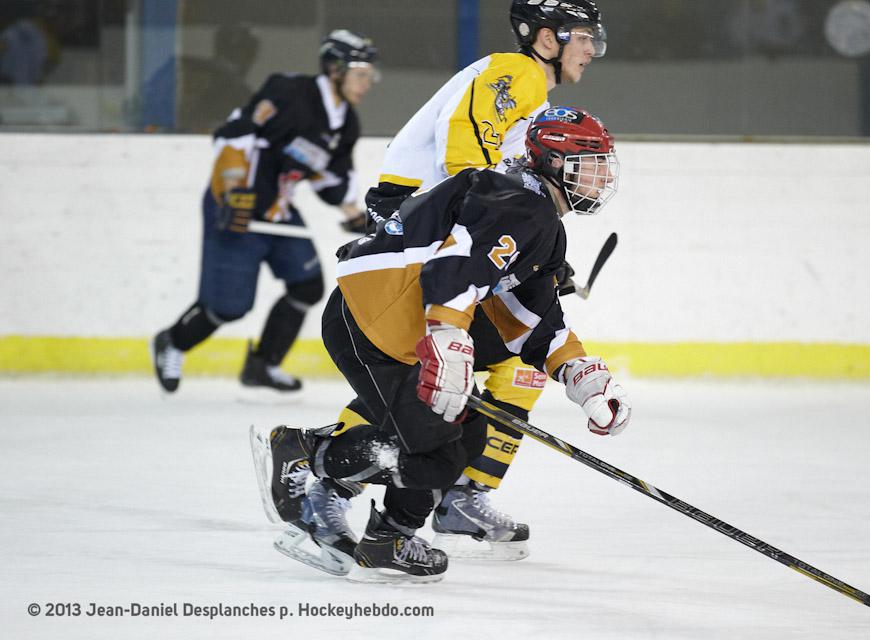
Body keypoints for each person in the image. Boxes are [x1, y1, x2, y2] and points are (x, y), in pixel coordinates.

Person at [252, 0, 611, 573]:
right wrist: (490, 223)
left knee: (482, 371)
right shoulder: (516, 72)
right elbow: (464, 149)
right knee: (436, 373)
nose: (592, 49)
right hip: (425, 218)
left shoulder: (534, 101)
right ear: (547, 38)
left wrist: (525, 261)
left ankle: (437, 494)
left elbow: (505, 208)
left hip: (438, 219)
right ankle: (328, 464)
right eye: (583, 38)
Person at [151, 30, 378, 395]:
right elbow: (234, 134)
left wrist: (355, 213)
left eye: (370, 75)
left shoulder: (345, 123)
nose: (368, 83)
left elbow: (329, 177)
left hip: (278, 211)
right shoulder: (288, 92)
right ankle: (173, 342)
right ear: (335, 70)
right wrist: (232, 192)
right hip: (237, 206)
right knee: (228, 307)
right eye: (361, 73)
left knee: (306, 286)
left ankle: (262, 364)